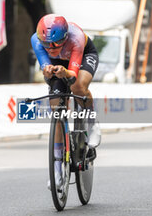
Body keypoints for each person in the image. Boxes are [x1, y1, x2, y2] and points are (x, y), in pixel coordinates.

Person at [31, 14, 101, 189]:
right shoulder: (36, 41)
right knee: (57, 108)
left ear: (65, 37)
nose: (51, 48)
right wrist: (47, 71)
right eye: (46, 44)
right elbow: (46, 69)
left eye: (55, 43)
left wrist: (66, 72)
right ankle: (57, 170)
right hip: (58, 64)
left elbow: (73, 75)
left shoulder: (75, 38)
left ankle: (92, 122)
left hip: (82, 56)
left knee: (78, 87)